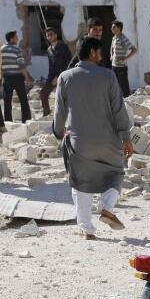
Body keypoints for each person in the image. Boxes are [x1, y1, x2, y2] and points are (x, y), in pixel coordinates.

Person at [53, 37, 133, 239]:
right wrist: (126, 136)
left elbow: (59, 112)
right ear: (92, 53)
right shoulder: (108, 76)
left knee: (80, 182)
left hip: (79, 143)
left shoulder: (65, 77)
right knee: (116, 173)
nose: (102, 55)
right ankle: (107, 207)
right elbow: (119, 109)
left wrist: (58, 131)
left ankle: (87, 228)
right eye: (99, 51)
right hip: (109, 142)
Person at [0, 30, 32, 123]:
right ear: (11, 39)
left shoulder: (1, 49)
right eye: (16, 37)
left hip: (6, 78)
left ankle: (8, 121)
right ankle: (26, 120)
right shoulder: (17, 49)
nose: (17, 39)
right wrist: (27, 78)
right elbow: (21, 66)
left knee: (7, 102)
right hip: (17, 78)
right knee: (23, 100)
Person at [40, 27, 71, 117]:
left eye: (51, 35)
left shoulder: (63, 47)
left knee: (65, 97)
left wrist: (59, 76)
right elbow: (51, 65)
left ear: (56, 35)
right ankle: (46, 113)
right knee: (43, 93)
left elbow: (68, 62)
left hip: (64, 75)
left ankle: (68, 116)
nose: (49, 37)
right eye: (47, 36)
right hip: (52, 77)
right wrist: (49, 79)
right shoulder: (49, 50)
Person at [110, 20, 137, 98]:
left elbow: (134, 50)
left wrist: (126, 58)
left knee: (124, 85)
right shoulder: (114, 38)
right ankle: (119, 99)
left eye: (113, 27)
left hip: (122, 67)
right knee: (115, 84)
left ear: (119, 28)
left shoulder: (123, 39)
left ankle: (128, 101)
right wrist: (111, 55)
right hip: (114, 65)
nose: (111, 28)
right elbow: (111, 47)